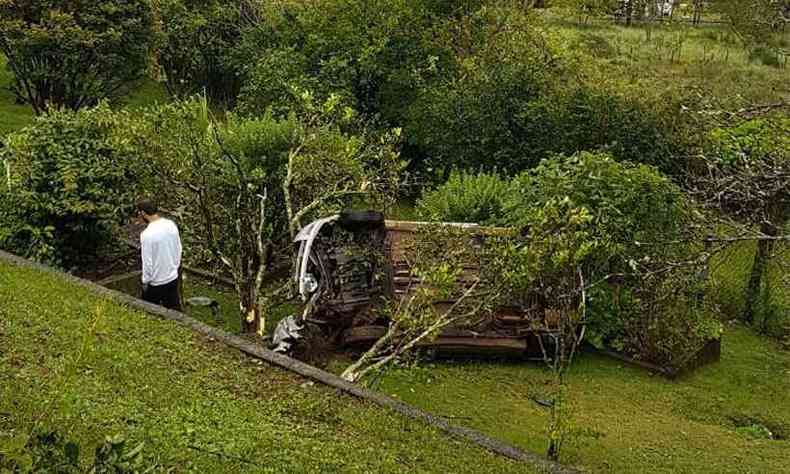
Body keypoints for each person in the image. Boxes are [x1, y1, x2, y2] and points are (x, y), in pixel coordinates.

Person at [137, 199, 183, 310]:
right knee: (175, 311)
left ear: (143, 213)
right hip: (172, 277)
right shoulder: (171, 225)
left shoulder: (146, 235)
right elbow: (179, 249)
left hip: (156, 283)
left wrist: (145, 281)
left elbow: (147, 263)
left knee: (147, 311)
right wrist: (174, 268)